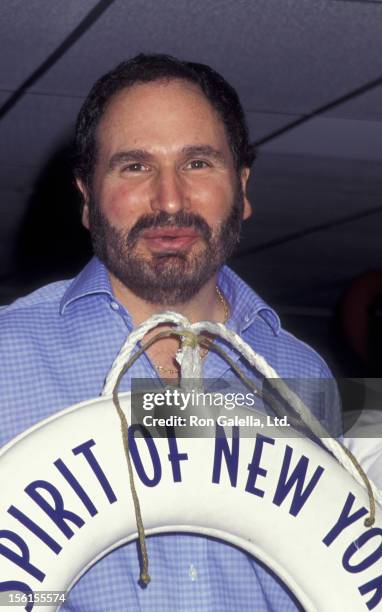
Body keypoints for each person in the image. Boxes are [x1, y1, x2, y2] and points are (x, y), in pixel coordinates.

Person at [0, 54, 341, 611]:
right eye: (134, 166)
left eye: (198, 163)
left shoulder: (304, 374)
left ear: (243, 187)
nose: (170, 200)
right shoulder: (5, 357)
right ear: (87, 199)